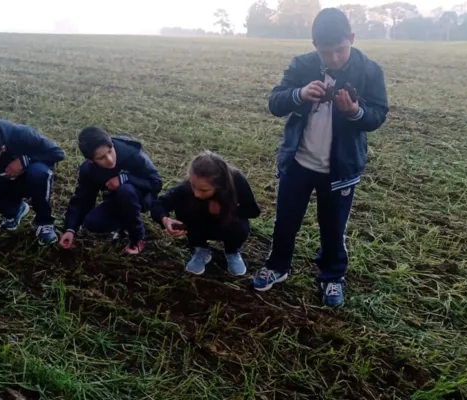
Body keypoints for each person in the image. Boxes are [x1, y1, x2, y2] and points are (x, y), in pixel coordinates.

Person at [252, 7, 389, 307]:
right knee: (285, 220)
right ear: (315, 47)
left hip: (340, 168)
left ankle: (331, 277)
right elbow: (275, 102)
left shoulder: (369, 70)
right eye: (327, 53)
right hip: (298, 162)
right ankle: (277, 267)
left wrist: (355, 112)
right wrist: (298, 94)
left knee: (333, 226)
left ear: (351, 38)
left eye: (340, 50)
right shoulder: (301, 65)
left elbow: (378, 115)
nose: (335, 58)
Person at [151, 151, 261, 276]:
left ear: (220, 185)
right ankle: (201, 249)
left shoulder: (236, 181)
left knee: (240, 227)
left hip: (227, 224)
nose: (197, 193)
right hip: (199, 225)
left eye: (204, 190)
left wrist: (226, 210)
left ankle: (232, 251)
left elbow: (253, 211)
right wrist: (165, 220)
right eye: (193, 185)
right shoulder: (187, 187)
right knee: (184, 207)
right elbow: (158, 204)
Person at [0, 118, 66, 246]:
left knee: (40, 173)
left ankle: (45, 223)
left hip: (29, 180)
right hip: (3, 180)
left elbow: (58, 153)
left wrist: (24, 161)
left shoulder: (23, 134)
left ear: (3, 149)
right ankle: (14, 211)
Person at [59, 126, 163, 254]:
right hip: (115, 198)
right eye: (101, 158)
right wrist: (70, 229)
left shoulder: (132, 153)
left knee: (126, 190)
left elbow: (156, 183)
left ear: (112, 144)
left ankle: (137, 237)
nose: (109, 159)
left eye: (110, 151)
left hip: (143, 196)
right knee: (92, 222)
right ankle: (124, 224)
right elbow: (82, 198)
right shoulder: (88, 170)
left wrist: (125, 178)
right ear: (91, 160)